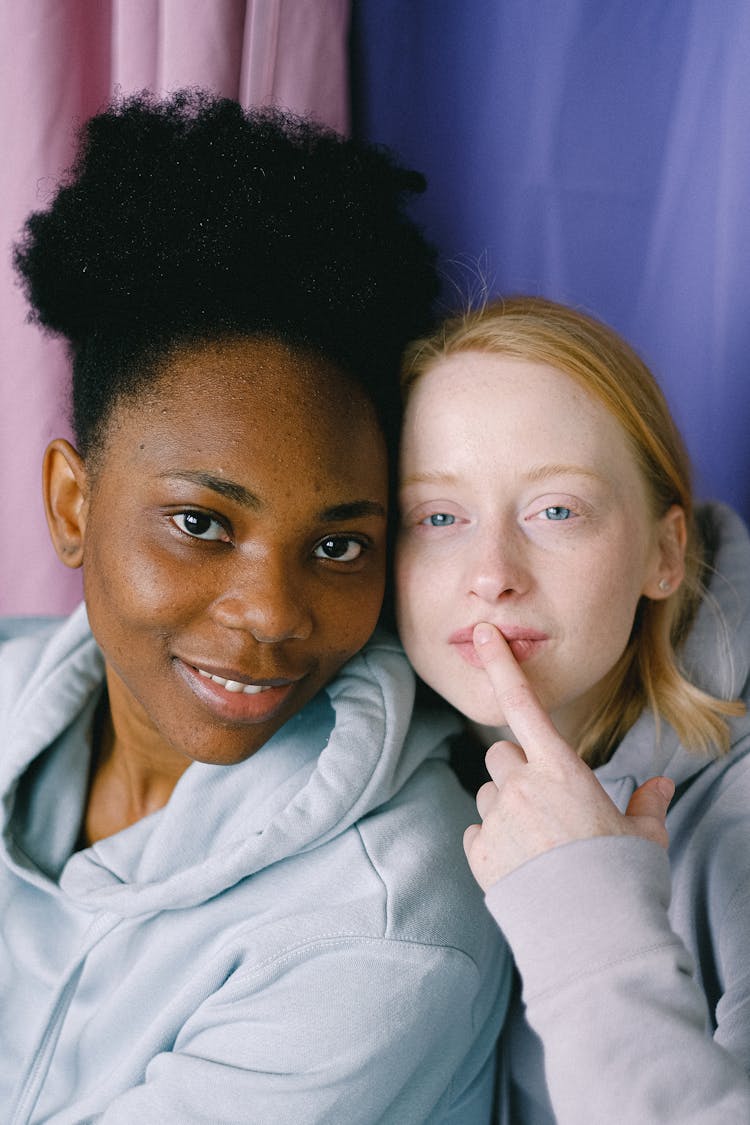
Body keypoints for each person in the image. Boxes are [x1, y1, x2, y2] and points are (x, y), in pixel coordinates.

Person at [0, 90, 510, 1123]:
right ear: (72, 504)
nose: (274, 612)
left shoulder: (383, 928)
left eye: (337, 545)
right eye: (200, 524)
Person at [395, 295, 750, 1123]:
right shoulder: (382, 783)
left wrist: (584, 909)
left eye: (556, 509)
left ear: (665, 553)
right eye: (438, 516)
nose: (492, 571)